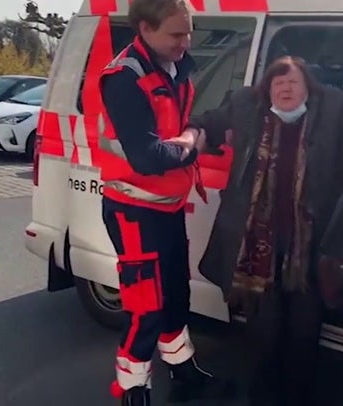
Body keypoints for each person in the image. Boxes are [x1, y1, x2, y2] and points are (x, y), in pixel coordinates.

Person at [180, 55, 343, 405]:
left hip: (309, 249)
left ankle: (296, 397)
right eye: (278, 83)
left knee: (304, 335)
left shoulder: (333, 108)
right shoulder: (247, 106)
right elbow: (205, 122)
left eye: (293, 82)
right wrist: (189, 137)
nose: (286, 89)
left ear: (309, 87)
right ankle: (263, 397)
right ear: (268, 89)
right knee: (263, 333)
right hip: (258, 248)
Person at [97, 0, 231, 404]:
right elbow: (147, 157)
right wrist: (193, 144)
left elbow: (181, 125)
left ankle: (182, 369)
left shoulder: (174, 66)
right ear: (145, 28)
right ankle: (132, 388)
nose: (186, 42)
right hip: (134, 210)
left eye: (188, 31)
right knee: (146, 307)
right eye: (176, 34)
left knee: (175, 297)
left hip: (166, 206)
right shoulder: (124, 77)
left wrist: (191, 134)